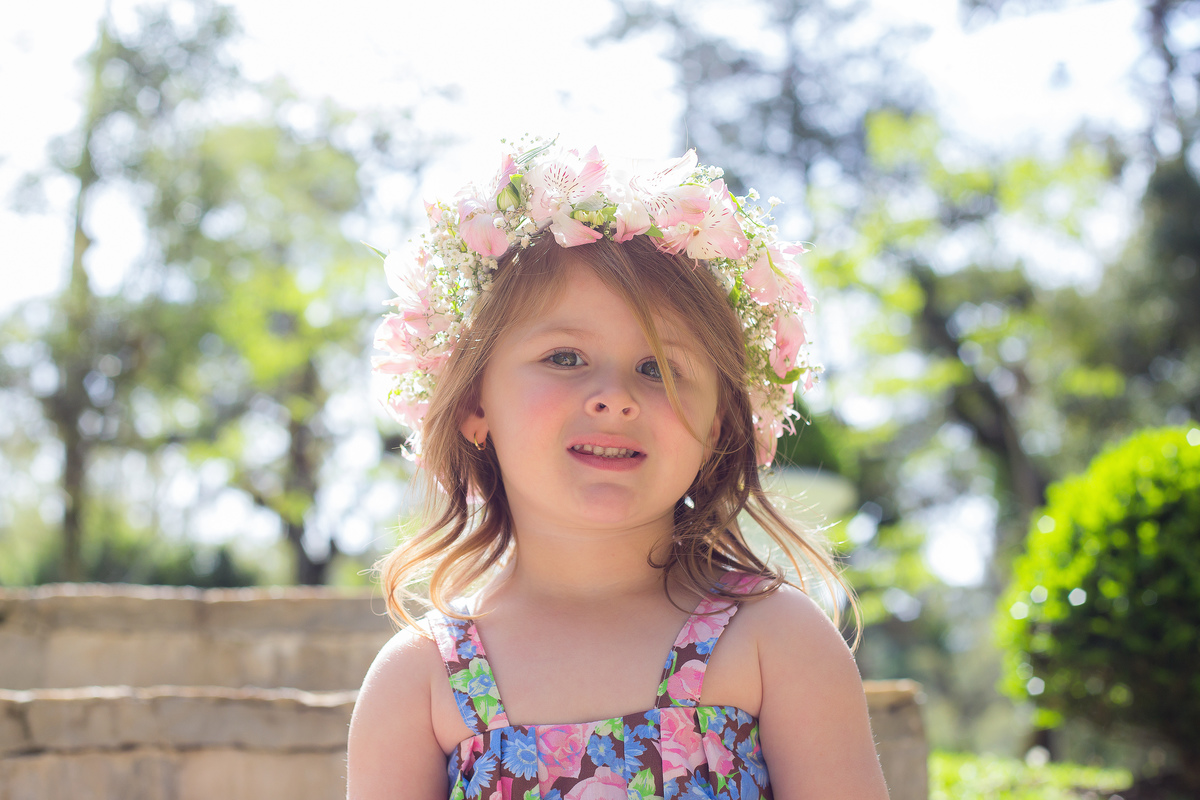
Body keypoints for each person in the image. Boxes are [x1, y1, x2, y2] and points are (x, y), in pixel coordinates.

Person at [347, 139, 890, 800]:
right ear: (472, 403)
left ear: (718, 425)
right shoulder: (421, 682)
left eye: (659, 368)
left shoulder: (775, 642)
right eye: (566, 357)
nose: (615, 396)